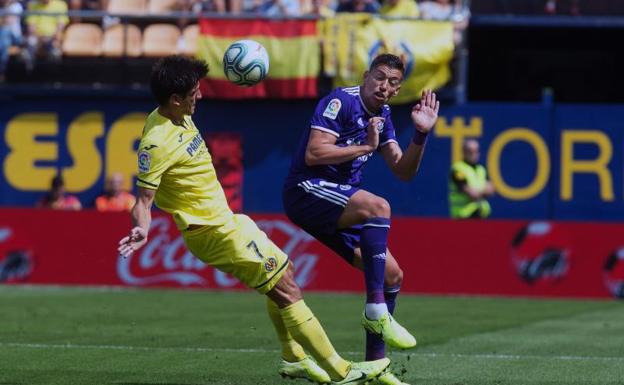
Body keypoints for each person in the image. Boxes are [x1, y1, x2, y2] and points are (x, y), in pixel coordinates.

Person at [117, 55, 392, 385]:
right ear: (175, 99)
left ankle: (293, 358)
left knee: (284, 273)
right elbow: (143, 201)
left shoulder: (178, 115)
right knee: (287, 289)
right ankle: (341, 371)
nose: (200, 96)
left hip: (229, 222)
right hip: (213, 232)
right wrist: (141, 228)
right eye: (194, 92)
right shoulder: (156, 142)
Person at [282, 53, 440, 385]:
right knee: (378, 207)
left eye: (393, 82)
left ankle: (375, 367)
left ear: (398, 90)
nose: (385, 86)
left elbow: (403, 170)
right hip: (306, 190)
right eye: (380, 77)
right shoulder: (341, 101)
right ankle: (376, 312)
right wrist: (365, 146)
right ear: (366, 76)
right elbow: (314, 153)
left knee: (393, 275)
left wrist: (421, 135)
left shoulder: (383, 115)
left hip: (339, 203)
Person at [448, 138, 495, 219]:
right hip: (463, 216)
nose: (474, 154)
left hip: (482, 215)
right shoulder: (458, 169)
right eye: (470, 151)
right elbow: (472, 193)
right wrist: (483, 191)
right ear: (464, 152)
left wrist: (478, 191)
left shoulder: (481, 169)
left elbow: (491, 190)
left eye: (476, 151)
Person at [24, 0, 69, 68]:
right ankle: (29, 71)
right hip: (38, 37)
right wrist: (40, 37)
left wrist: (52, 37)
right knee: (31, 41)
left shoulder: (60, 4)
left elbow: (61, 25)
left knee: (55, 51)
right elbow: (31, 26)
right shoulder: (33, 5)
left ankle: (54, 71)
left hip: (53, 37)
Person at [0, 0, 23, 82]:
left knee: (4, 34)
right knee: (3, 41)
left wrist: (6, 5)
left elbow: (7, 21)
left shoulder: (16, 6)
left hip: (15, 38)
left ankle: (1, 73)